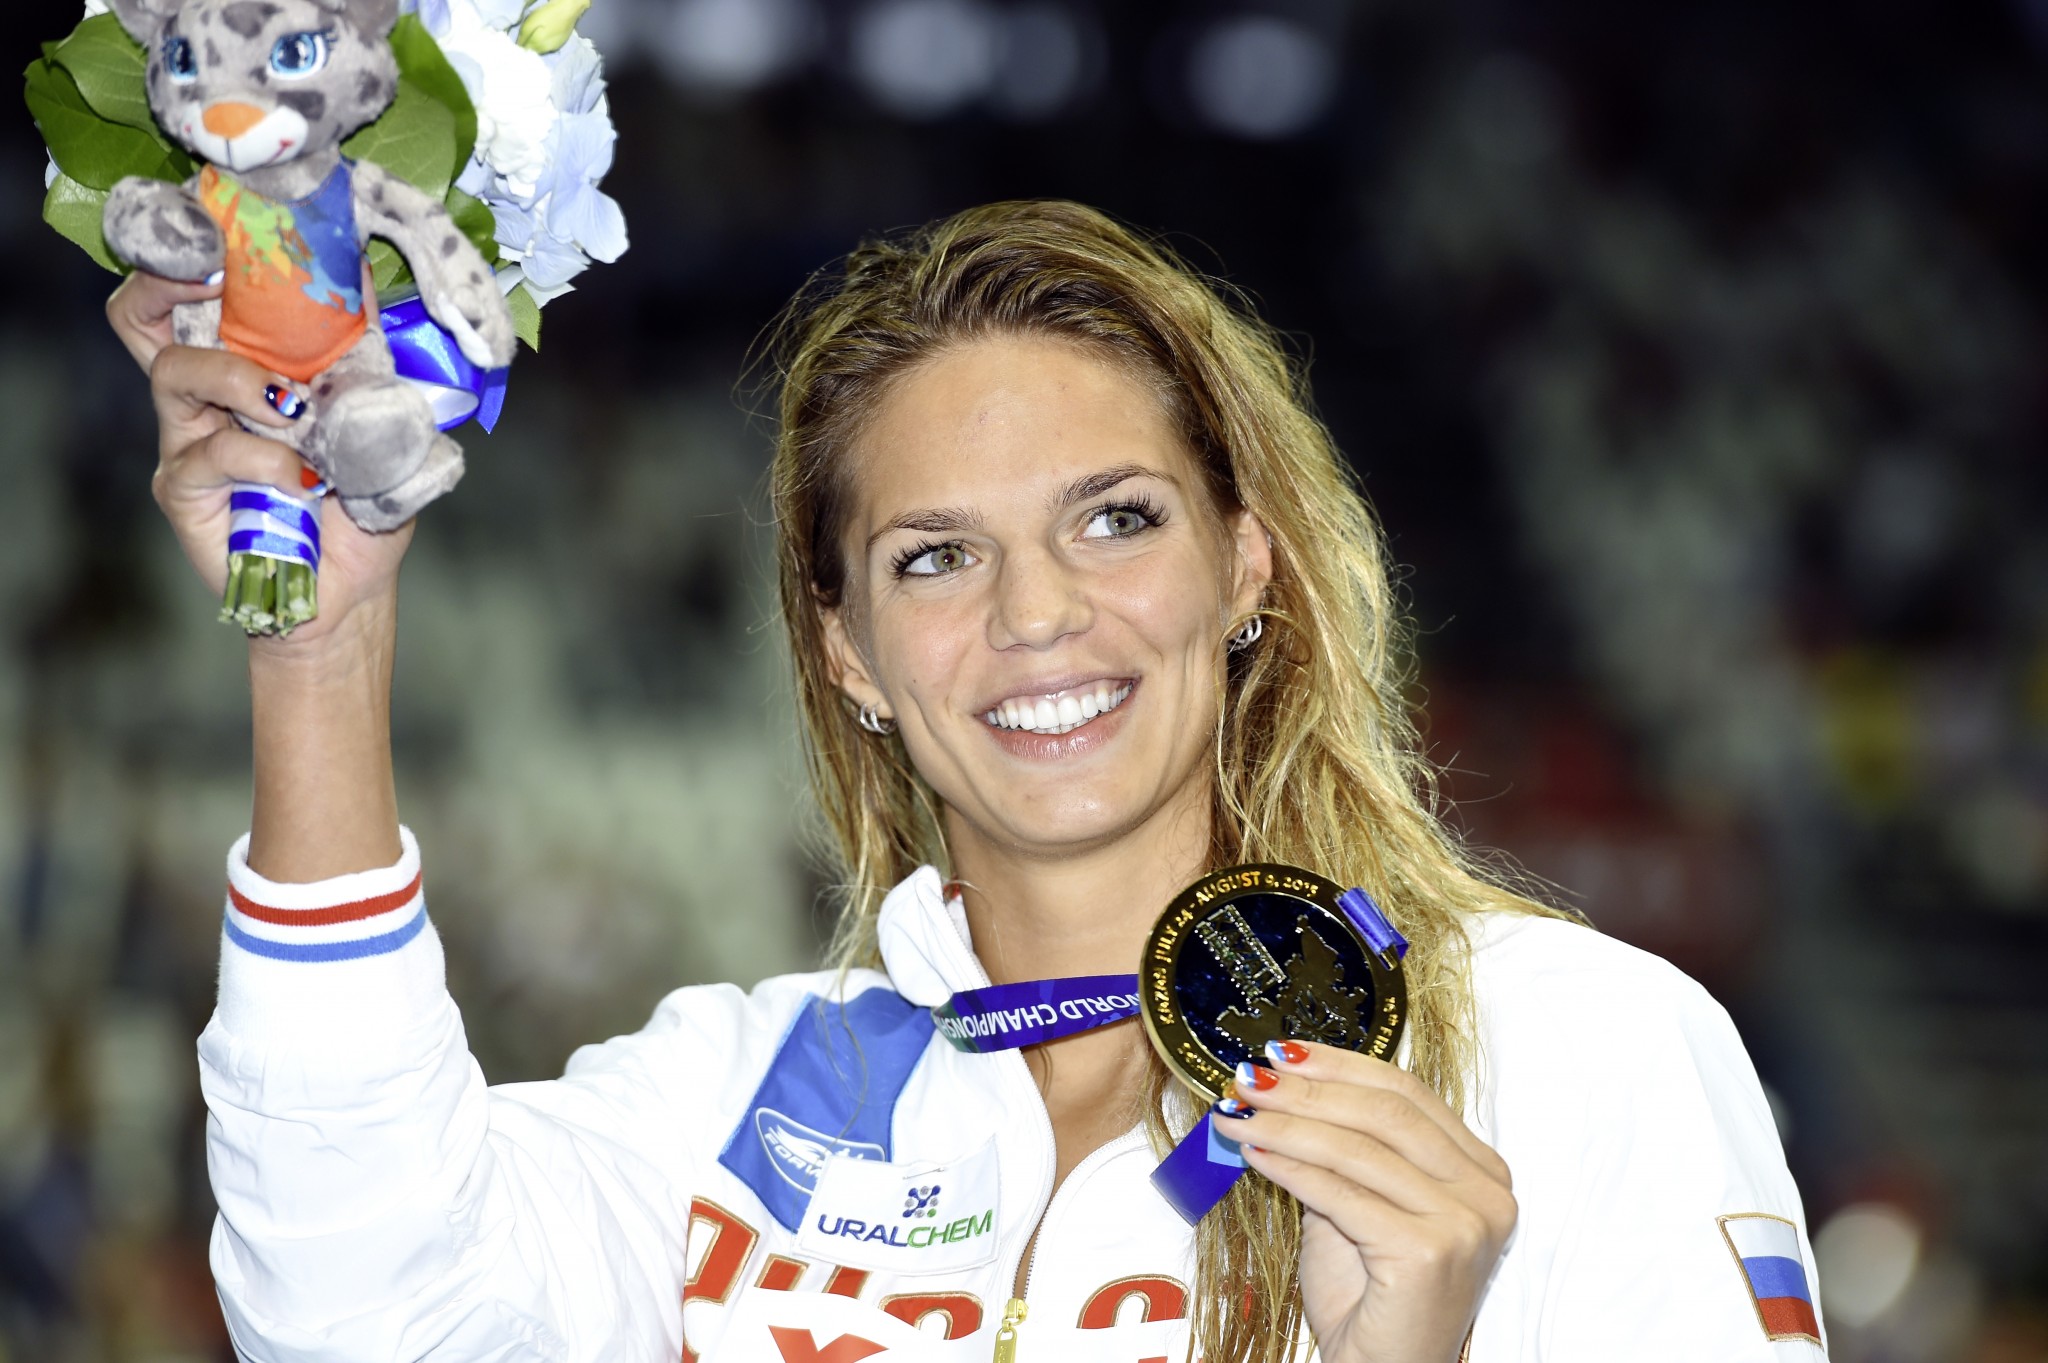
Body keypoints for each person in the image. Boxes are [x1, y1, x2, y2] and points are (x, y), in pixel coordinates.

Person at [106, 200, 1827, 1363]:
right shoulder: (734, 1096)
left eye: (1114, 520)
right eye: (934, 556)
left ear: (1245, 567)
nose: (1035, 615)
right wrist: (319, 650)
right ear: (848, 651)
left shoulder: (1563, 1046)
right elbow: (356, 1311)